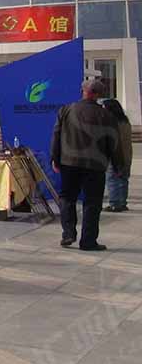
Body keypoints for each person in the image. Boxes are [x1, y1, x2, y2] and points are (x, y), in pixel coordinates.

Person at [50, 78, 123, 251]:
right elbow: (114, 143)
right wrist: (118, 166)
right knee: (92, 203)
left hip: (69, 163)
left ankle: (68, 233)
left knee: (67, 198)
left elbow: (56, 136)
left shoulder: (66, 110)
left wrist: (55, 159)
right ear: (98, 94)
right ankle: (88, 241)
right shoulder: (107, 116)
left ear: (83, 91)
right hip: (95, 165)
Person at [104, 98, 132, 213]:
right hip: (127, 154)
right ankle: (122, 202)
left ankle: (115, 203)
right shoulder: (125, 122)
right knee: (123, 179)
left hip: (115, 155)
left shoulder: (112, 123)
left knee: (112, 179)